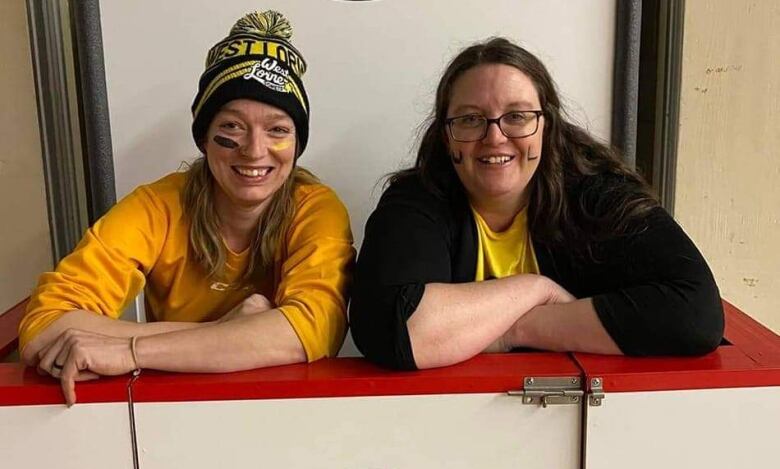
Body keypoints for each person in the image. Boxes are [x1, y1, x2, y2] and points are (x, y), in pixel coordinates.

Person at [19, 10, 355, 405]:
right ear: (204, 138)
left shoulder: (315, 208)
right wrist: (232, 331)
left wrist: (132, 351)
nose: (254, 149)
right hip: (174, 408)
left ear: (297, 144)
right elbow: (43, 326)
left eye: (278, 129)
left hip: (280, 409)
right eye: (231, 126)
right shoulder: (159, 205)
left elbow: (311, 331)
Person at [349, 37, 723, 370]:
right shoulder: (416, 201)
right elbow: (390, 332)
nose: (494, 137)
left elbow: (695, 316)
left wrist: (515, 328)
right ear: (447, 137)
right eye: (470, 119)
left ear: (547, 125)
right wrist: (534, 290)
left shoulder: (599, 197)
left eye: (517, 116)